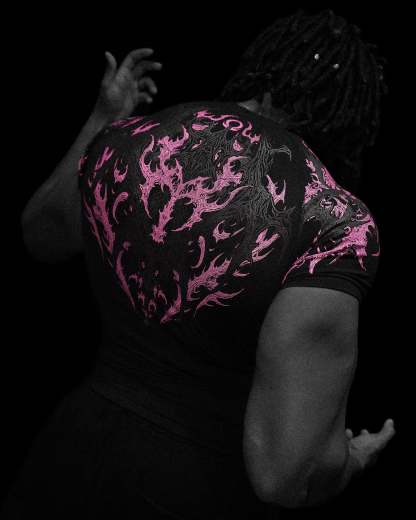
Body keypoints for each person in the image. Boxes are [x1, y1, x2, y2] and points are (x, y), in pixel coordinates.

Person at [4, 8, 395, 520]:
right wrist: (350, 460)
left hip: (68, 450)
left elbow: (43, 237)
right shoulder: (334, 224)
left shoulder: (133, 137)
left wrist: (104, 119)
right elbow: (282, 475)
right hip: (192, 488)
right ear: (348, 119)